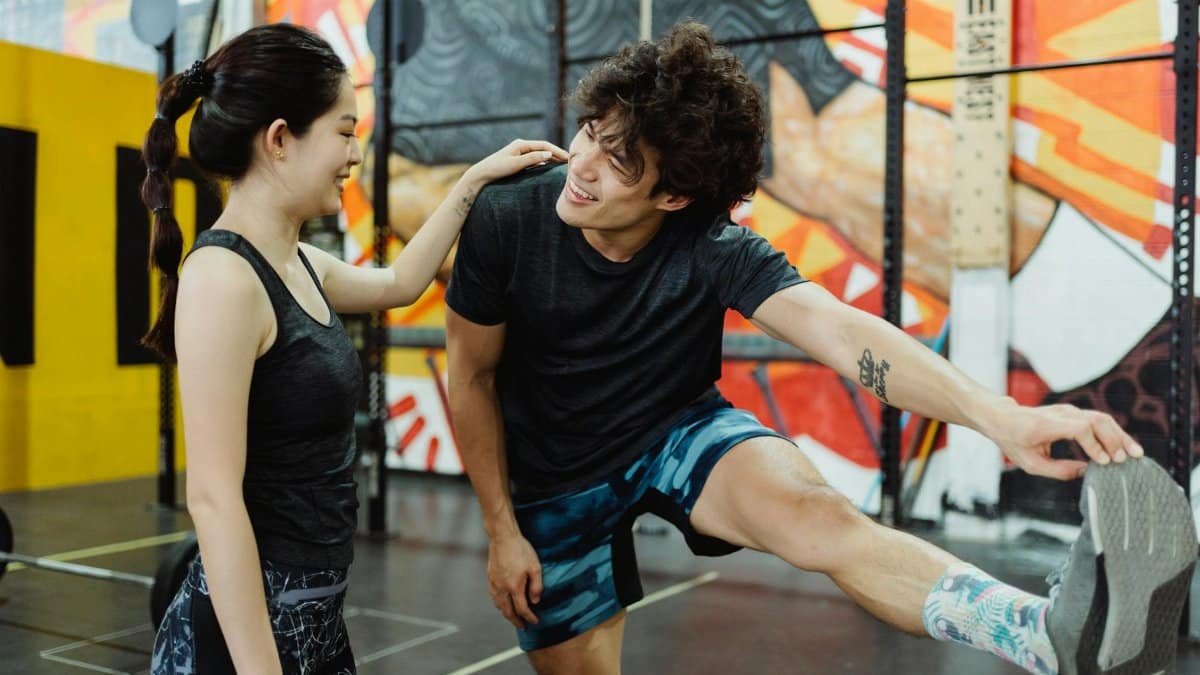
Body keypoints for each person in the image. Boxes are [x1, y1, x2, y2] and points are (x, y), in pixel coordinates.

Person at [444, 21, 1197, 675]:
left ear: (673, 195)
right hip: (553, 477)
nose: (581, 166)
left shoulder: (708, 244)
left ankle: (1040, 636)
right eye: (590, 133)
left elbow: (842, 331)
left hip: (674, 431)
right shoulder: (507, 219)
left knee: (818, 515)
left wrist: (1004, 419)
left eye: (619, 163)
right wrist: (502, 531)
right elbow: (471, 378)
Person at [138, 23, 566, 675]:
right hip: (247, 641)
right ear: (279, 139)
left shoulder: (300, 263)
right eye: (343, 132)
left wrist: (474, 180)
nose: (355, 155)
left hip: (315, 621)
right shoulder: (224, 279)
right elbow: (214, 499)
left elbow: (399, 283)